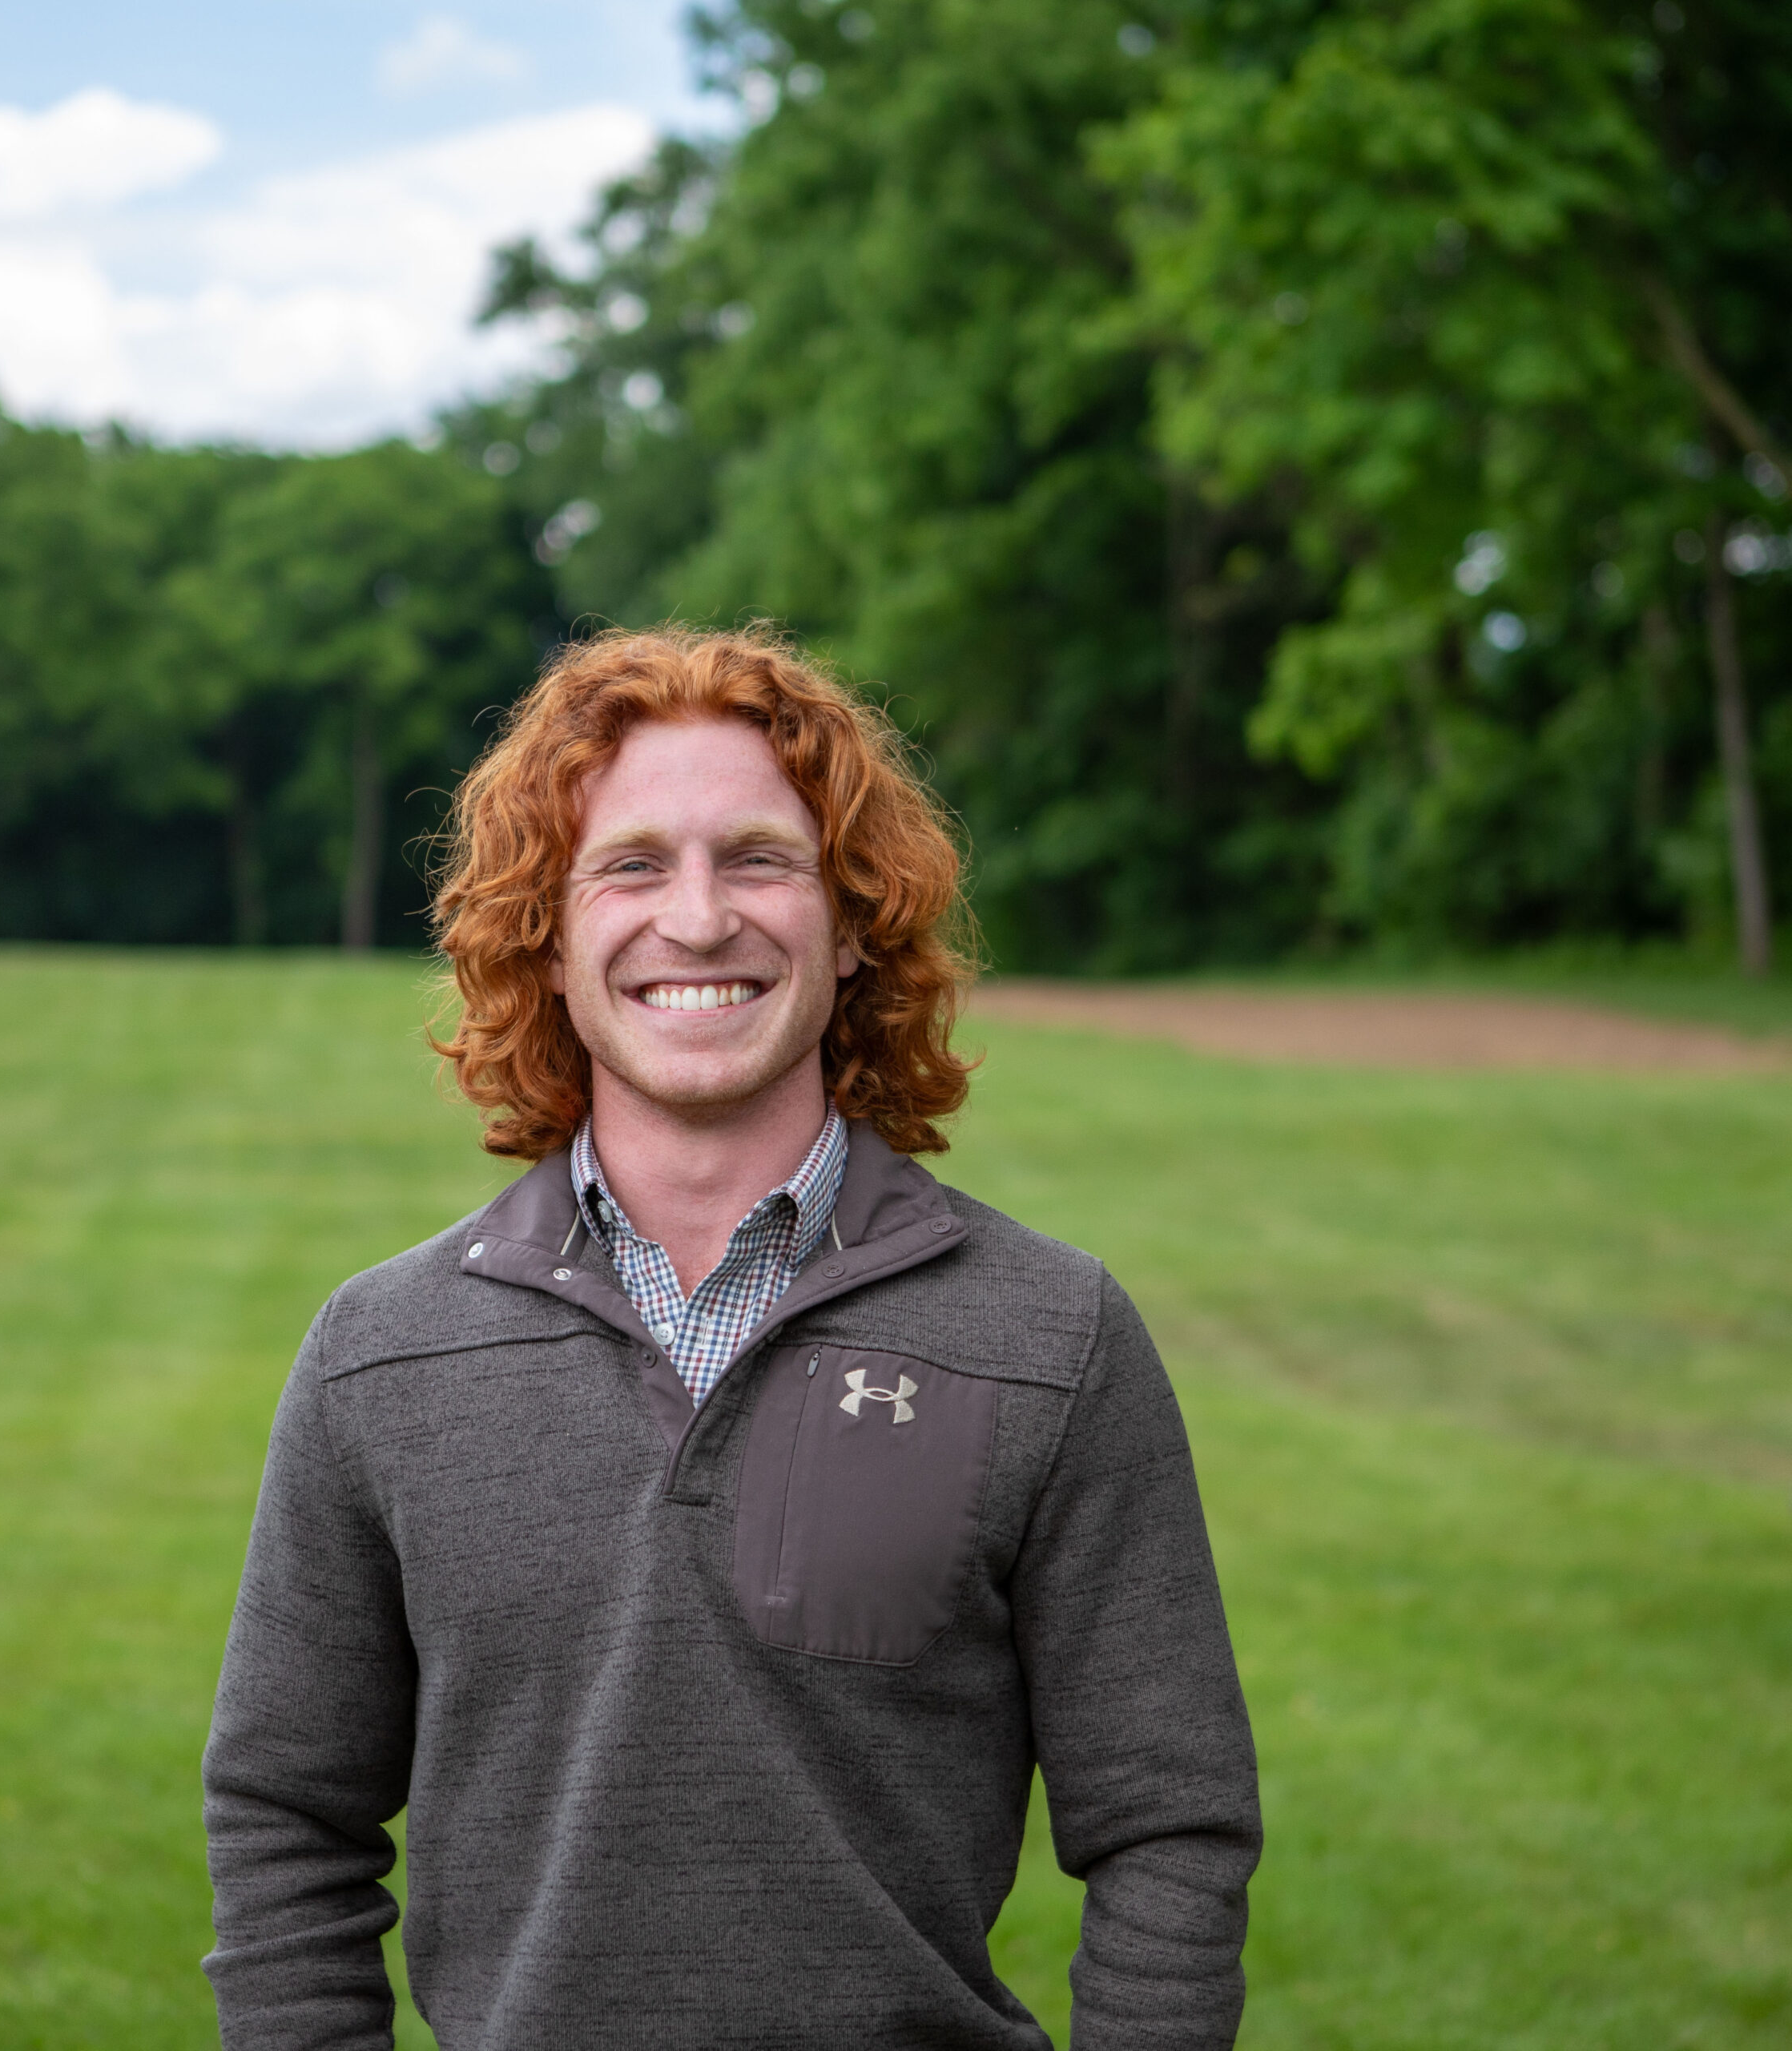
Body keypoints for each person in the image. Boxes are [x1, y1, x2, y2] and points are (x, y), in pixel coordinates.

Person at [201, 627, 1261, 2050]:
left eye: (759, 860)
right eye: (630, 865)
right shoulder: (381, 1356)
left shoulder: (1051, 1336)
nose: (697, 920)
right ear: (549, 940)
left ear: (853, 925)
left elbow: (1173, 1829)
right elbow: (286, 1823)